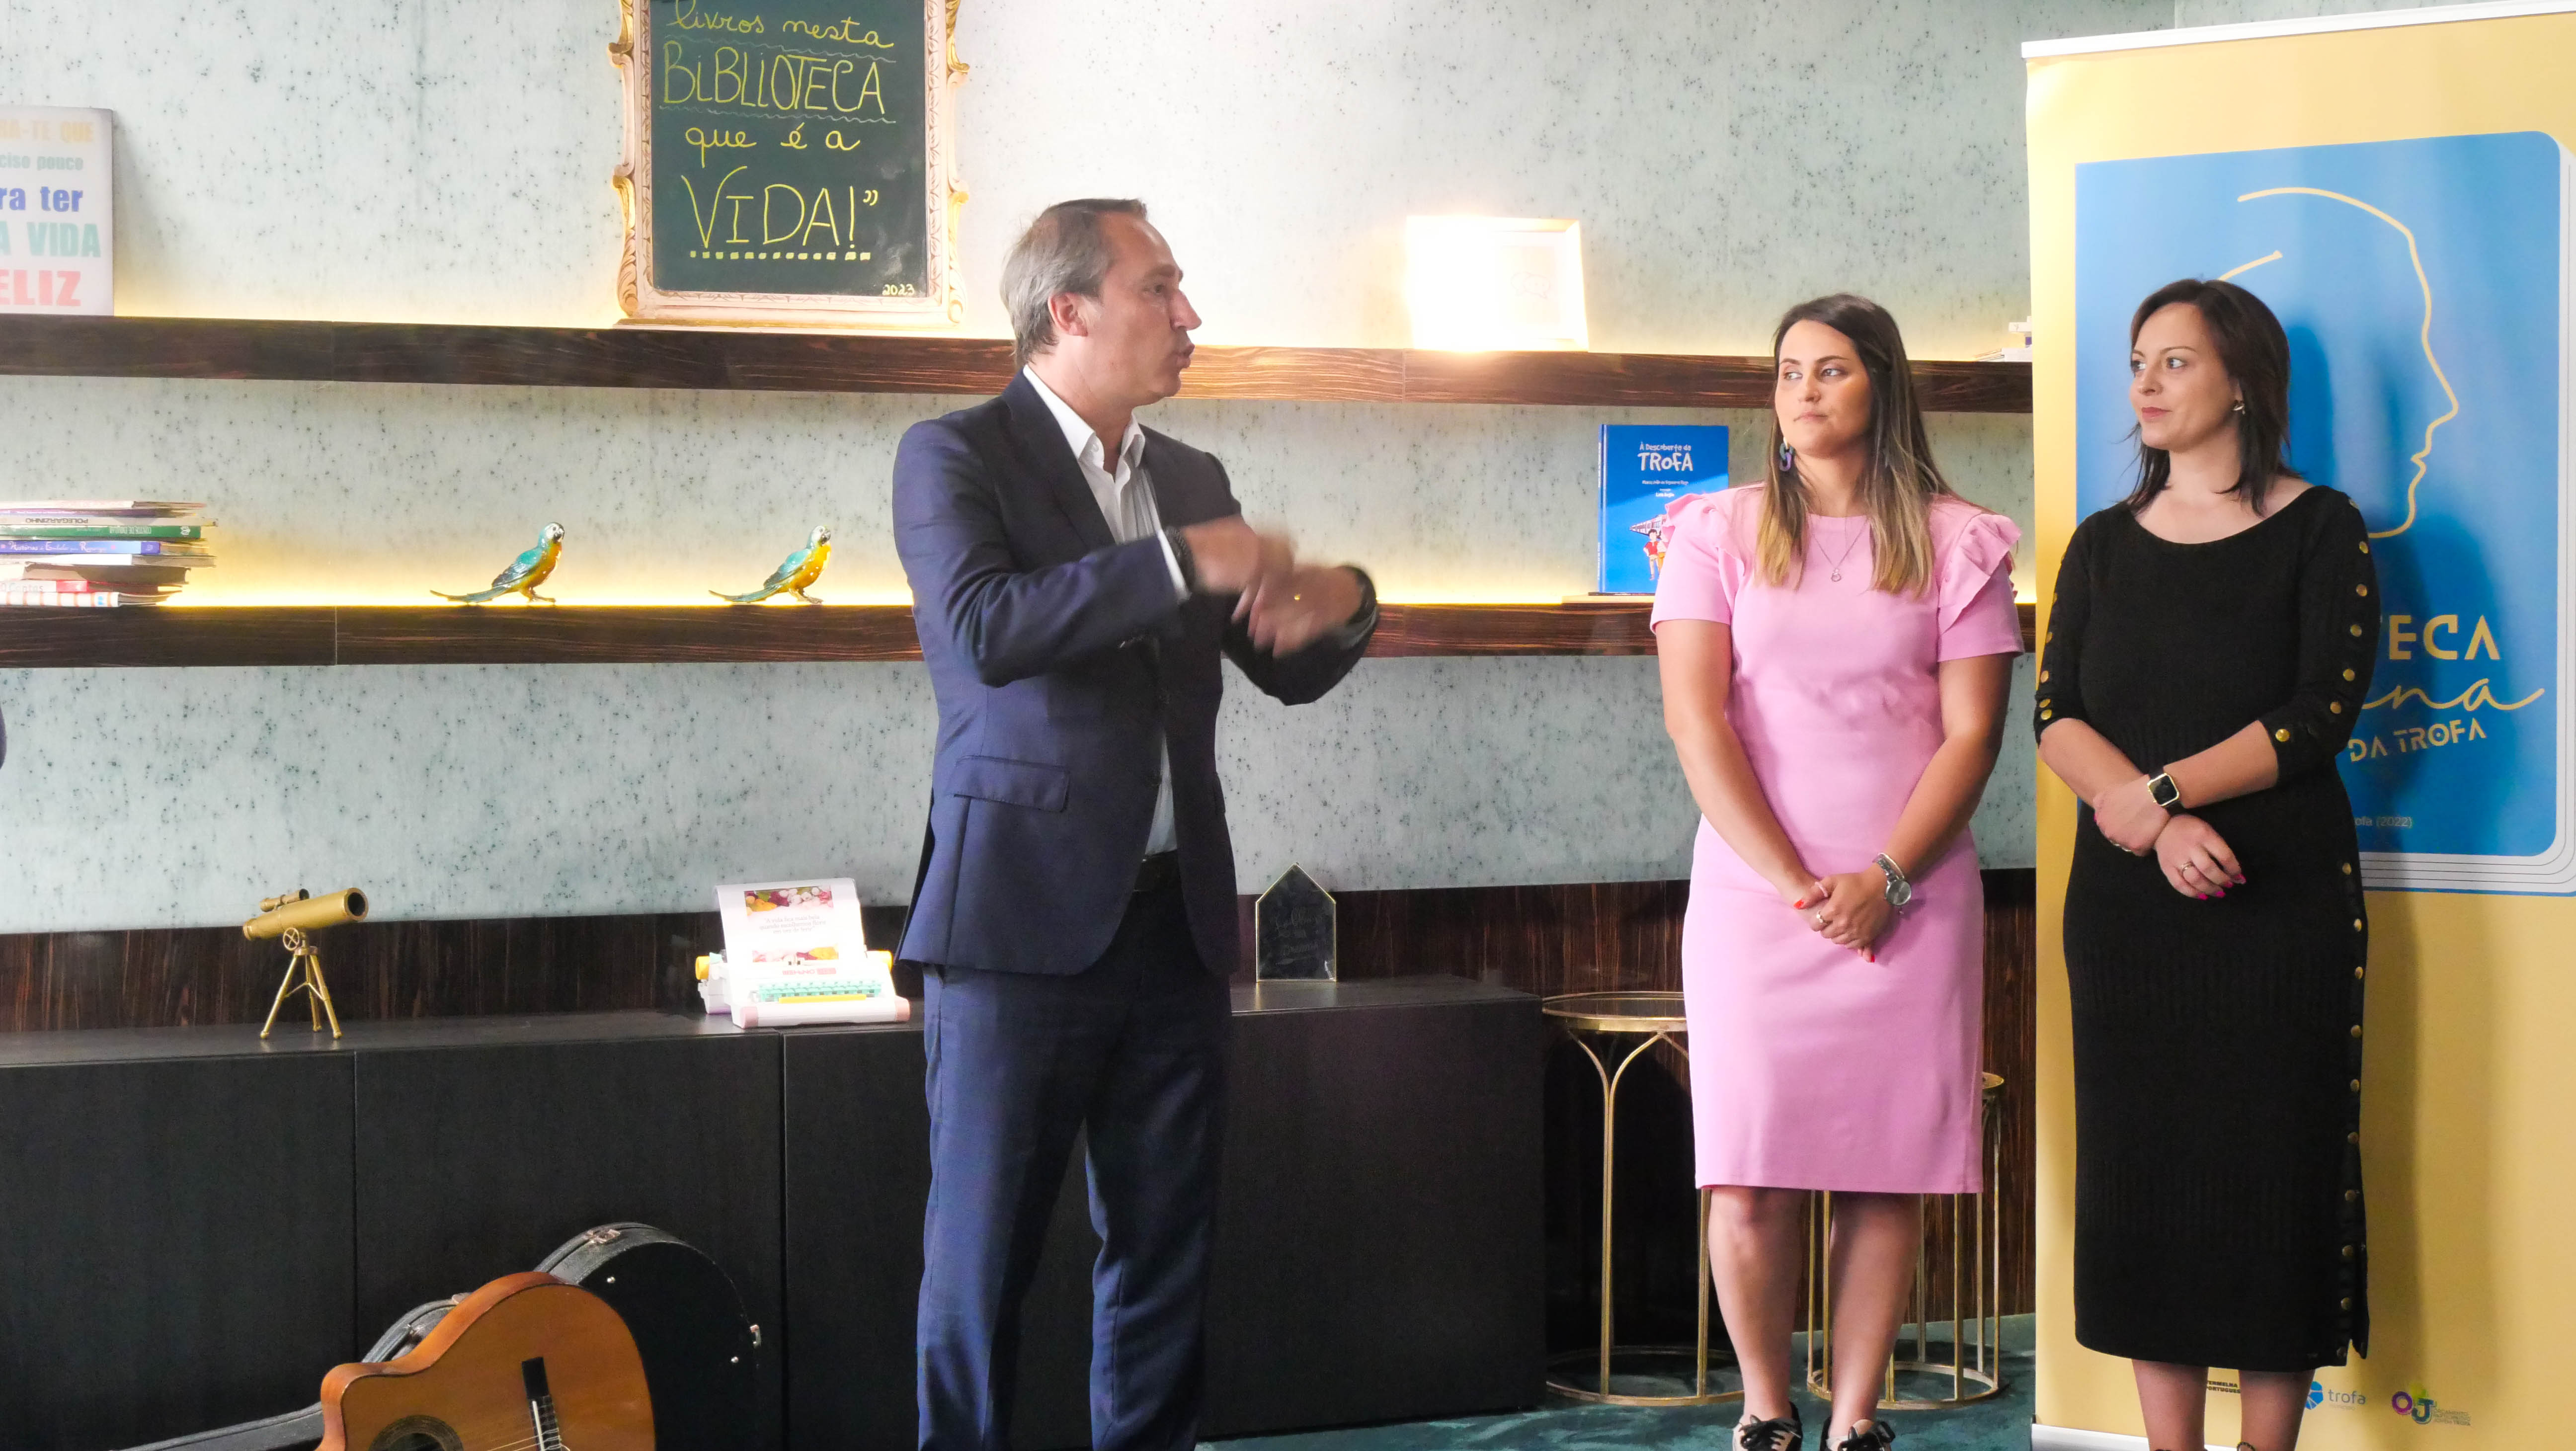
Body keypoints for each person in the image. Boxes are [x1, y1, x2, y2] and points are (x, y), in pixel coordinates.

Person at [891, 198, 1378, 1451]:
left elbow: (1284, 667)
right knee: (981, 1266)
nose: (1189, 314)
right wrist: (1177, 559)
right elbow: (988, 629)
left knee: (1164, 1260)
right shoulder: (952, 454)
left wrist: (1346, 599)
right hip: (1014, 931)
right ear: (1068, 310)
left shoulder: (1194, 478)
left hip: (1177, 929)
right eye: (1160, 286)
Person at [1653, 294, 2020, 1451]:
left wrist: (1887, 881)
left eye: (1831, 369)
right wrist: (1793, 882)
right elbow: (1696, 722)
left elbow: (1974, 736)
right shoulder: (1713, 530)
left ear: (1883, 387)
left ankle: (1857, 1417)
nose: (1803, 390)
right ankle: (1767, 1411)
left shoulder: (1962, 540)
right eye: (1788, 371)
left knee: (1884, 1171)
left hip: (1911, 897)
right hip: (1755, 899)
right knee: (1748, 1171)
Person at [2035, 278, 2374, 1451]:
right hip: (2131, 911)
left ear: (2242, 381)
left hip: (2278, 904)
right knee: (2147, 1179)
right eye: (2139, 359)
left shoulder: (2324, 526)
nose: (2146, 381)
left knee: (2273, 1175)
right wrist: (2152, 819)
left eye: (2175, 360)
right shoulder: (2099, 543)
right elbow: (2057, 715)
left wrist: (2170, 792)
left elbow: (2320, 713)